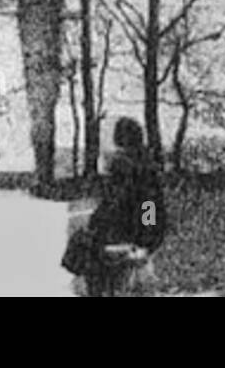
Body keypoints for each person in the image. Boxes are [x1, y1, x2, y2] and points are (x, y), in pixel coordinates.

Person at [61, 117, 167, 296]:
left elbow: (146, 207)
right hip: (121, 238)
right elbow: (147, 207)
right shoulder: (144, 168)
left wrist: (143, 243)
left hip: (121, 241)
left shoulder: (131, 169)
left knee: (96, 273)